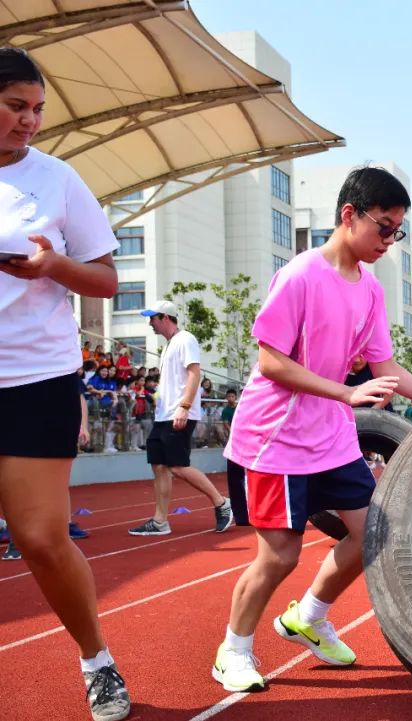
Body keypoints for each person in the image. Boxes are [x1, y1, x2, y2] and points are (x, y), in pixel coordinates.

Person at [213, 166, 412, 692]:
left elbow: (385, 368)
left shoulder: (370, 290)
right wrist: (345, 392)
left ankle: (309, 617)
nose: (390, 240)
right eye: (384, 228)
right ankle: (234, 649)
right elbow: (271, 362)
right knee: (280, 555)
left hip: (332, 438)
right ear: (349, 215)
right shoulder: (300, 274)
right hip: (272, 440)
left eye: (397, 231)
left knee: (373, 535)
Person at [0, 47, 131, 720]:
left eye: (37, 109)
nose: (31, 121)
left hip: (33, 377)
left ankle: (97, 660)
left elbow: (107, 278)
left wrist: (51, 266)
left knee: (43, 539)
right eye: (16, 106)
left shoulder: (56, 180)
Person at [128, 300, 233, 536]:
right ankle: (160, 521)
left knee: (177, 466)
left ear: (165, 317)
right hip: (164, 415)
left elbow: (194, 373)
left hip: (179, 413)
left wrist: (184, 406)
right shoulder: (168, 346)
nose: (150, 323)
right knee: (159, 466)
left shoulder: (185, 339)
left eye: (152, 318)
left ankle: (221, 502)